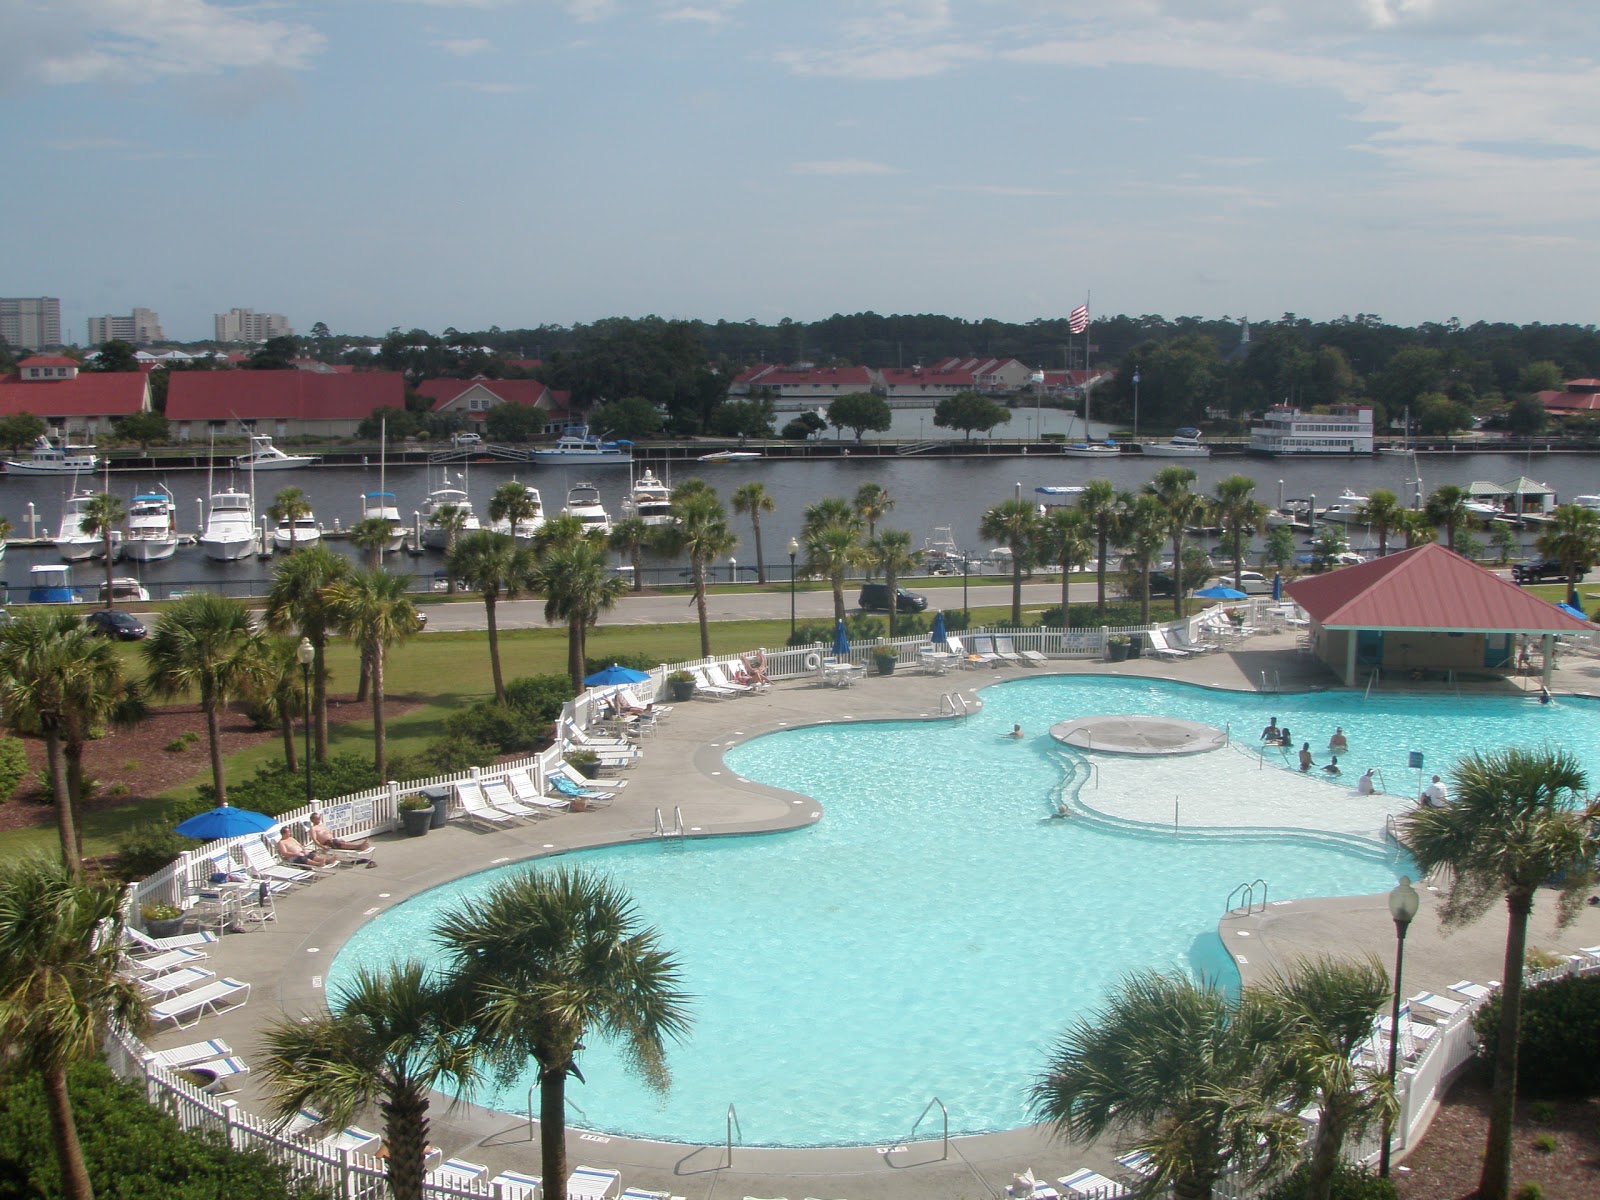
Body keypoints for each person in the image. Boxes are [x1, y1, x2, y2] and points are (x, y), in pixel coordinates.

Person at [310, 813, 376, 867]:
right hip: (327, 843)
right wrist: (322, 846)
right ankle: (359, 846)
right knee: (341, 844)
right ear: (313, 819)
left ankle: (359, 846)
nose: (319, 819)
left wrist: (338, 839)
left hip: (333, 840)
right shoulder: (313, 828)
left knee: (344, 843)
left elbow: (330, 834)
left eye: (319, 818)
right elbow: (314, 839)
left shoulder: (322, 826)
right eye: (317, 818)